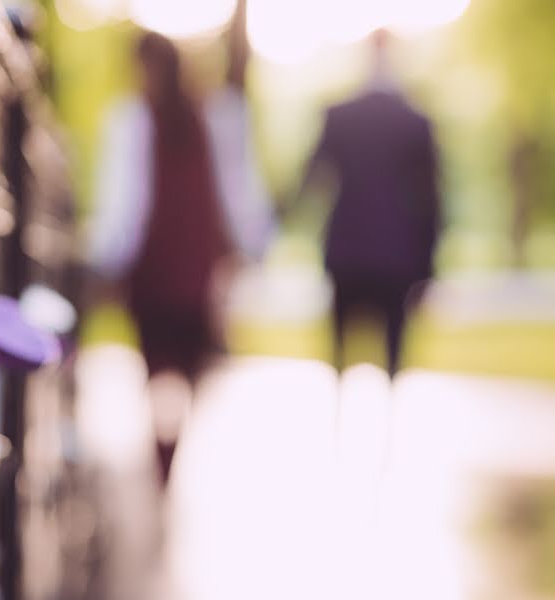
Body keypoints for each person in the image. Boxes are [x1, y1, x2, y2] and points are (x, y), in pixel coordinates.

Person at [87, 3, 273, 483]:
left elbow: (235, 188)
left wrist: (252, 243)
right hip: (166, 269)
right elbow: (124, 201)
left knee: (174, 367)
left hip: (177, 269)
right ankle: (165, 450)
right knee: (164, 366)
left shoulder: (207, 118)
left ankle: (166, 449)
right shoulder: (142, 120)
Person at [295, 29, 441, 377]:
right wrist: (428, 264)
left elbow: (312, 180)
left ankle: (342, 420)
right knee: (392, 356)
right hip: (396, 254)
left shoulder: (341, 116)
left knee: (341, 354)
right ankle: (386, 424)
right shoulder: (414, 122)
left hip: (348, 250)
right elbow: (430, 198)